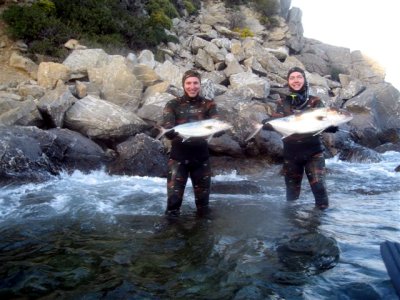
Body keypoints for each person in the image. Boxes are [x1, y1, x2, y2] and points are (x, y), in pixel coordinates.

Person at [262, 67, 337, 209]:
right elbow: (277, 122)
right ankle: (292, 229)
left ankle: (318, 227)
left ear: (304, 80)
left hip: (313, 153)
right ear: (288, 82)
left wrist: (330, 126)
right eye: (292, 78)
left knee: (320, 192)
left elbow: (324, 121)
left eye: (299, 77)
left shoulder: (316, 102)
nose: (296, 80)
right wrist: (268, 124)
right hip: (291, 155)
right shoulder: (282, 103)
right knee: (291, 196)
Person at [161, 69, 221, 217]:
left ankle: (202, 237)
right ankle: (170, 235)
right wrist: (168, 132)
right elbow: (168, 126)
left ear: (200, 85)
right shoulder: (173, 104)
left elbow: (216, 124)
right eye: (188, 83)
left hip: (201, 160)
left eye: (195, 83)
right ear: (183, 85)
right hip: (178, 160)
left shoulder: (208, 104)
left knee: (203, 206)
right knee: (173, 205)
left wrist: (220, 129)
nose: (192, 86)